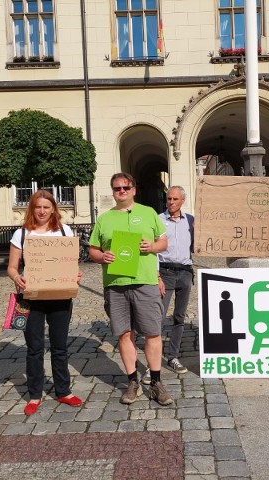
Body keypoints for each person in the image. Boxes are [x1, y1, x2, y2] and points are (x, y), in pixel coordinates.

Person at [89, 173, 173, 406]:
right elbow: (93, 250)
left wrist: (152, 246)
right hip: (116, 284)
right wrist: (102, 256)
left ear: (134, 189)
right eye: (117, 188)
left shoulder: (149, 213)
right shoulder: (104, 220)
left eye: (126, 187)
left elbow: (163, 242)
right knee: (124, 333)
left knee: (153, 332)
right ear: (113, 192)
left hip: (145, 281)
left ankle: (156, 382)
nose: (122, 191)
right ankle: (132, 381)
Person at [7, 190, 83, 416]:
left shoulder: (64, 231)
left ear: (53, 209)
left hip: (60, 296)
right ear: (32, 208)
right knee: (34, 348)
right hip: (32, 297)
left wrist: (74, 275)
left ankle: (63, 390)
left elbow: (71, 263)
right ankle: (35, 394)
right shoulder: (21, 233)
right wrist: (16, 277)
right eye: (38, 207)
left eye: (46, 207)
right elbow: (12, 267)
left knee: (60, 347)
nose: (42, 211)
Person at [145, 186, 193, 381]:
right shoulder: (158, 219)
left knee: (179, 318)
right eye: (169, 199)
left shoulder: (191, 221)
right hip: (165, 272)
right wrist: (156, 277)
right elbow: (153, 250)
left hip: (185, 272)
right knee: (157, 318)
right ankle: (152, 365)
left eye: (175, 199)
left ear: (182, 201)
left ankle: (172, 357)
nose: (171, 202)